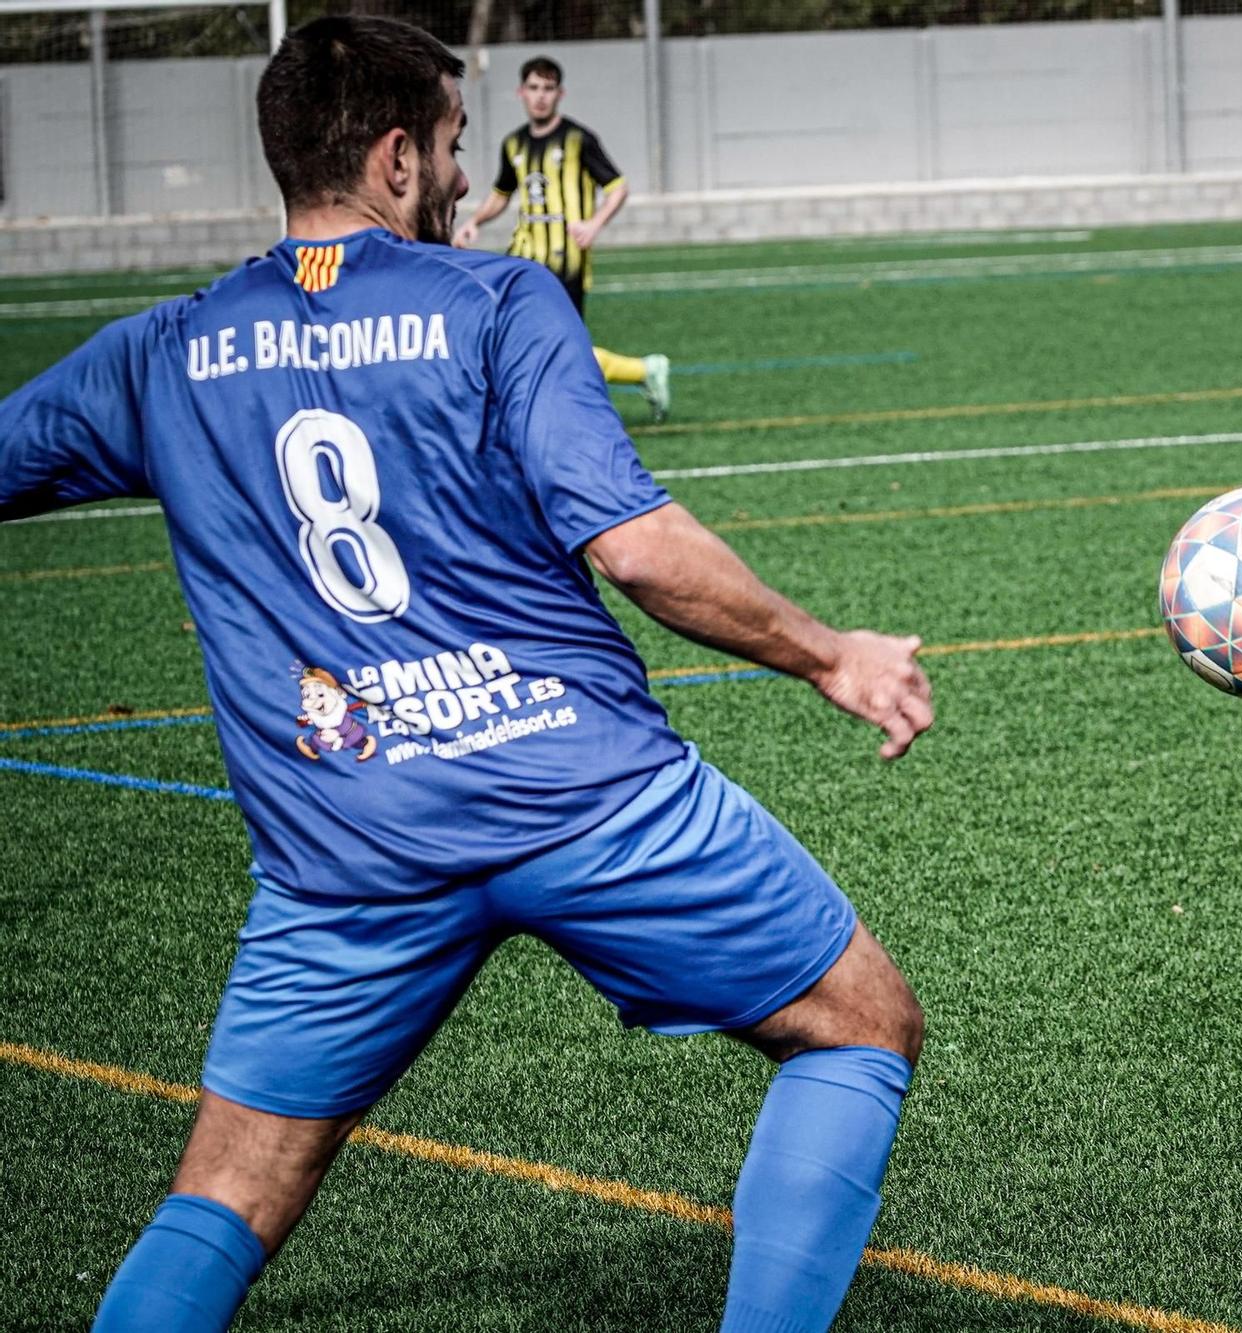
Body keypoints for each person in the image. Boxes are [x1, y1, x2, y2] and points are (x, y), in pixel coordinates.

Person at [0, 18, 933, 1332]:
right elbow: (644, 552)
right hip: (585, 793)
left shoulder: (165, 352)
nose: (457, 181)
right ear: (393, 157)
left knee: (229, 1189)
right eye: (446, 148)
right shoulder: (498, 300)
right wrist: (831, 651)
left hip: (347, 843)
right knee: (858, 1025)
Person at [453, 55, 671, 419]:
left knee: (560, 347)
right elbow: (502, 193)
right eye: (534, 88)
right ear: (521, 93)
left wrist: (594, 224)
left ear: (560, 93)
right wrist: (474, 221)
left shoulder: (578, 140)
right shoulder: (513, 145)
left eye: (548, 89)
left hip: (565, 263)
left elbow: (617, 187)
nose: (541, 96)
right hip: (522, 259)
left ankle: (641, 372)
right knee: (514, 337)